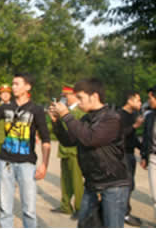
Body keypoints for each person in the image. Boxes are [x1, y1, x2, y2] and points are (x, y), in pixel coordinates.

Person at [0, 72, 51, 228]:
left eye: (17, 84)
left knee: (29, 209)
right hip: (6, 162)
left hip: (27, 163)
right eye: (13, 84)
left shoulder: (36, 110)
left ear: (27, 86)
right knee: (5, 208)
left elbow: (46, 139)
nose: (13, 87)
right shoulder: (6, 107)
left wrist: (44, 164)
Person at [49, 78, 130, 228]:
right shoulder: (87, 118)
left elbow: (90, 139)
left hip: (113, 185)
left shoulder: (111, 118)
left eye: (80, 98)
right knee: (85, 225)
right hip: (92, 184)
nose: (78, 102)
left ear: (94, 96)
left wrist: (66, 115)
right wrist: (56, 122)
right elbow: (69, 141)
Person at [49, 85, 84, 220]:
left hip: (74, 152)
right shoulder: (67, 110)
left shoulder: (79, 111)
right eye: (63, 96)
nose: (64, 98)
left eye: (66, 96)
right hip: (64, 150)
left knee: (77, 182)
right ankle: (65, 205)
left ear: (74, 95)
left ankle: (80, 208)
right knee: (65, 180)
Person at [118, 90, 143, 226]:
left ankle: (124, 211)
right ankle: (124, 214)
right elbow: (118, 136)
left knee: (130, 185)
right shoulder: (119, 115)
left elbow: (133, 138)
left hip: (131, 154)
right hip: (122, 155)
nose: (140, 103)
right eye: (138, 100)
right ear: (130, 100)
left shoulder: (133, 115)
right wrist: (134, 126)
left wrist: (144, 151)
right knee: (126, 185)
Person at [140, 86, 156, 212]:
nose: (149, 100)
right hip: (153, 159)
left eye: (151, 98)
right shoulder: (150, 116)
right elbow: (146, 137)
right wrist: (144, 156)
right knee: (156, 196)